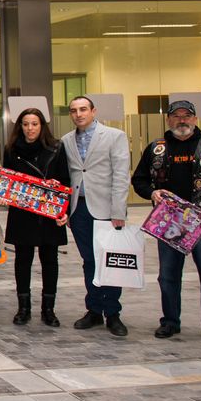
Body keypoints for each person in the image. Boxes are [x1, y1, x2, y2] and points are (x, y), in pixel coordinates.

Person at [131, 100, 201, 345]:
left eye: (187, 116)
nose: (182, 120)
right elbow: (138, 180)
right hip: (169, 222)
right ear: (168, 120)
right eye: (176, 116)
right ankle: (170, 321)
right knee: (168, 275)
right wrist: (152, 193)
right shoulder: (156, 148)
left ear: (195, 119)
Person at [60, 95, 131, 337]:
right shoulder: (66, 140)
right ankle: (94, 310)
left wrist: (118, 211)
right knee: (89, 261)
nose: (78, 114)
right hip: (79, 210)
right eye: (73, 111)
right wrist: (66, 210)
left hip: (106, 211)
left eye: (83, 109)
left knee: (109, 262)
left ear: (93, 111)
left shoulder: (114, 136)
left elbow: (121, 175)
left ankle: (113, 313)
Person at [3, 108, 70, 327]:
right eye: (25, 124)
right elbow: (7, 179)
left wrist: (62, 208)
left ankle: (48, 310)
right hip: (22, 214)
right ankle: (24, 309)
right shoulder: (11, 149)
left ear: (42, 126)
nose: (30, 128)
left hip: (49, 213)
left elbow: (65, 180)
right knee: (22, 260)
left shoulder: (56, 148)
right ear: (19, 126)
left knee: (50, 260)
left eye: (34, 124)